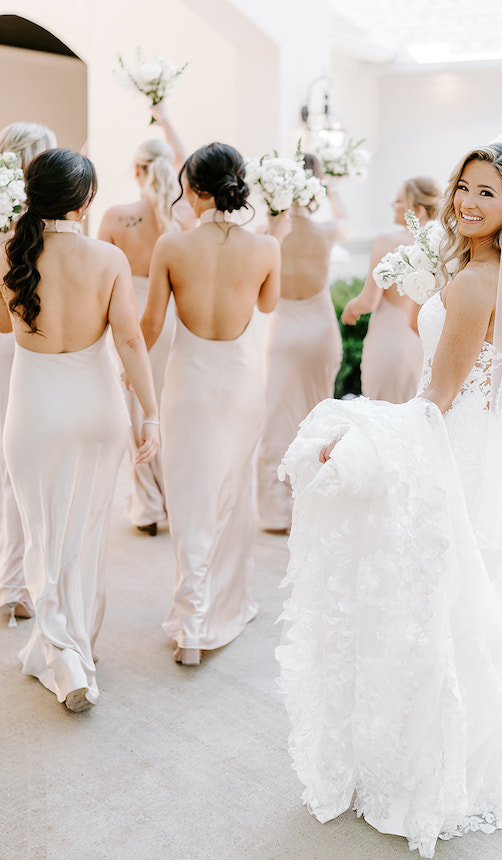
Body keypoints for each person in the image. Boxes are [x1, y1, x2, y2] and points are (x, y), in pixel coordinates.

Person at [276, 136, 502, 857]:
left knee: (432, 615)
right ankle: (460, 778)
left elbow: (436, 399)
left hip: (454, 455)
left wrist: (360, 438)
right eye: (463, 188)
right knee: (463, 612)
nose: (468, 203)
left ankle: (423, 782)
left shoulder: (476, 283)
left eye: (487, 194)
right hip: (488, 453)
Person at [0, 148, 159, 712]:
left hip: (36, 409)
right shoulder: (108, 258)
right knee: (86, 532)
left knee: (46, 534)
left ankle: (64, 655)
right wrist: (152, 413)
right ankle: (75, 646)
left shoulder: (7, 252)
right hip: (98, 410)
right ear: (86, 200)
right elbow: (131, 340)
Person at [141, 142, 290, 666]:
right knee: (231, 491)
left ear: (196, 189)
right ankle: (224, 608)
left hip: (190, 384)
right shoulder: (267, 247)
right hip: (242, 383)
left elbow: (151, 326)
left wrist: (122, 367)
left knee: (190, 497)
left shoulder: (171, 246)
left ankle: (192, 624)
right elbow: (267, 305)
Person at [98, 103, 196, 536]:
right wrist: (167, 118)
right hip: (172, 317)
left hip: (129, 319)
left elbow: (99, 275)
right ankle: (174, 499)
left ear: (136, 168)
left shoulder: (116, 216)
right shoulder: (184, 216)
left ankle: (147, 508)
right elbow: (189, 163)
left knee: (138, 409)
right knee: (169, 410)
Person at [256, 154, 348, 534]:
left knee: (277, 415)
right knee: (318, 413)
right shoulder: (327, 230)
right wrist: (332, 184)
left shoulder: (269, 231)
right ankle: (314, 504)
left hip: (284, 331)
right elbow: (344, 216)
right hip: (321, 332)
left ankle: (276, 512)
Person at [0, 122, 57, 624]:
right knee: (21, 471)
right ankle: (15, 585)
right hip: (23, 349)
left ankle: (11, 580)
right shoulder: (45, 224)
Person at [341, 176, 440, 402]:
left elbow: (368, 301)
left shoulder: (386, 240)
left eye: (398, 201)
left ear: (419, 210)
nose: (392, 206)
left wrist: (351, 307)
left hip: (387, 342)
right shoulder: (443, 244)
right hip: (423, 346)